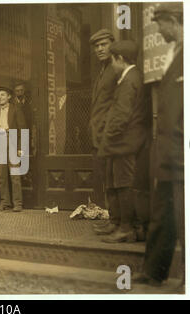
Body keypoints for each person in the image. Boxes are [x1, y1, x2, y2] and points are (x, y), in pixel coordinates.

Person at [134, 3, 184, 288]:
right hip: (167, 153)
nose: (159, 30)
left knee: (183, 218)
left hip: (181, 153)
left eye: (160, 24)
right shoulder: (173, 54)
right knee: (162, 213)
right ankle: (154, 271)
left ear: (174, 21)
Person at [97, 40, 148, 243]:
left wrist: (108, 138)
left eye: (113, 61)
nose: (112, 66)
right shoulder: (131, 77)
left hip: (124, 143)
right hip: (124, 142)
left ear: (120, 59)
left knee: (123, 183)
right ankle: (120, 223)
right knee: (117, 181)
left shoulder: (129, 80)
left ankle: (126, 228)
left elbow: (121, 115)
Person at [88, 29, 120, 236]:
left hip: (109, 135)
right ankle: (113, 220)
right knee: (107, 178)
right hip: (99, 135)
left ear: (112, 45)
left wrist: (108, 130)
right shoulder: (102, 70)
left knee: (115, 179)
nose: (100, 49)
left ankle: (118, 222)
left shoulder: (116, 69)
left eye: (104, 45)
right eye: (96, 46)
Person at [0, 86, 27, 212]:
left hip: (12, 142)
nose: (0, 97)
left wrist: (21, 147)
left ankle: (18, 203)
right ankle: (4, 202)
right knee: (1, 176)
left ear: (9, 97)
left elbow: (22, 129)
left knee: (15, 175)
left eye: (3, 95)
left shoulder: (16, 110)